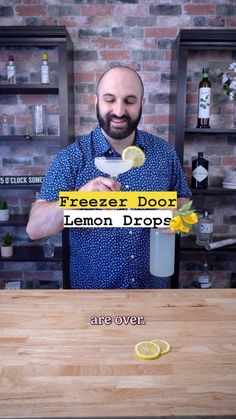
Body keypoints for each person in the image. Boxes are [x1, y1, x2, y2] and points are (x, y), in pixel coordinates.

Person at [26, 66, 191, 289]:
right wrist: (79, 200)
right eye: (110, 99)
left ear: (142, 104)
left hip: (154, 293)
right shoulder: (71, 158)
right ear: (97, 102)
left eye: (130, 101)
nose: (119, 111)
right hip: (92, 298)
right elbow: (35, 228)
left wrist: (177, 218)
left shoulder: (164, 154)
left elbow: (184, 204)